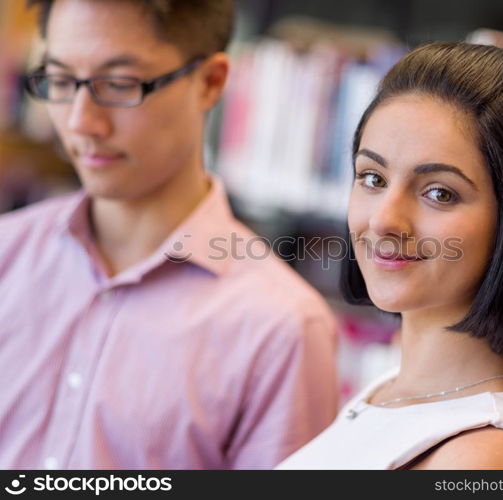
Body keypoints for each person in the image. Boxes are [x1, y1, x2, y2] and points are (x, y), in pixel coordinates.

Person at [0, 0, 338, 469]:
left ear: (211, 82)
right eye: (59, 82)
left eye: (119, 84)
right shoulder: (7, 254)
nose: (80, 122)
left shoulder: (280, 327)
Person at [277, 41, 503, 470]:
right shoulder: (391, 389)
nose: (385, 220)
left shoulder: (481, 458)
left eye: (439, 193)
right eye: (372, 177)